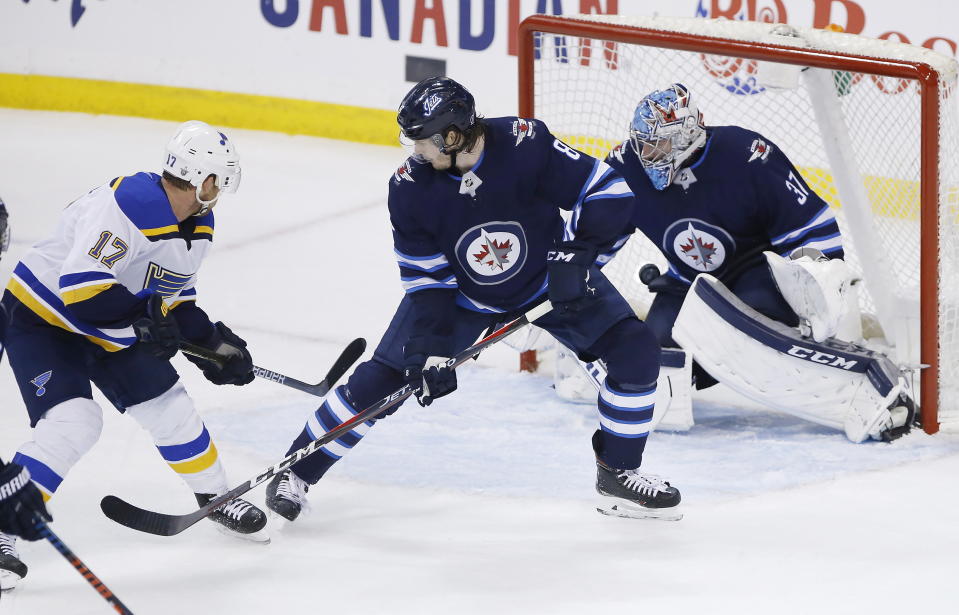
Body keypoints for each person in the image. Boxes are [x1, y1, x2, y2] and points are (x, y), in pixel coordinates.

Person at [265, 76, 682, 523]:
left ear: (453, 134)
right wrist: (432, 348)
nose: (415, 151)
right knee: (379, 382)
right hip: (460, 297)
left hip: (548, 283)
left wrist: (577, 257)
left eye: (423, 141)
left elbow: (609, 192)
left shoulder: (527, 144)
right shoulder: (409, 188)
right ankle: (296, 470)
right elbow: (427, 282)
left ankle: (618, 475)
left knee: (635, 350)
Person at [0, 121, 268, 589]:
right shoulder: (131, 203)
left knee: (171, 408)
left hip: (112, 325)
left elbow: (175, 301)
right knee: (74, 422)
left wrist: (215, 347)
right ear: (204, 179)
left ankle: (216, 496)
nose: (220, 190)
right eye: (218, 180)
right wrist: (146, 318)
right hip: (44, 319)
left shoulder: (198, 223)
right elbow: (81, 291)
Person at [602, 83, 913, 442]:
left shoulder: (746, 154)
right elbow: (595, 235)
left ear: (686, 134)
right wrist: (565, 281)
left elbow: (812, 226)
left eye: (657, 143)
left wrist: (816, 286)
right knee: (655, 360)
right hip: (686, 283)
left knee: (745, 336)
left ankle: (840, 377)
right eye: (642, 142)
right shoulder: (626, 167)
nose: (646, 154)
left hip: (755, 274)